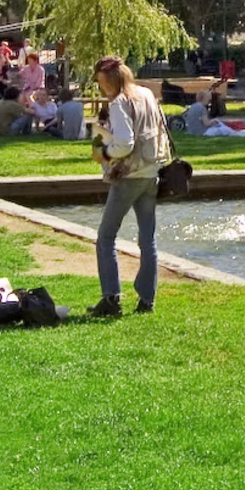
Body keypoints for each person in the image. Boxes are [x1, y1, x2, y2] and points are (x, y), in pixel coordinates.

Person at [89, 55, 168, 317]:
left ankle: (111, 298)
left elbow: (125, 143)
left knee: (106, 237)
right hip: (152, 171)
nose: (102, 88)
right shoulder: (146, 94)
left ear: (110, 80)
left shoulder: (120, 102)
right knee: (148, 239)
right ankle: (148, 299)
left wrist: (105, 153)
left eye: (102, 83)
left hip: (129, 175)